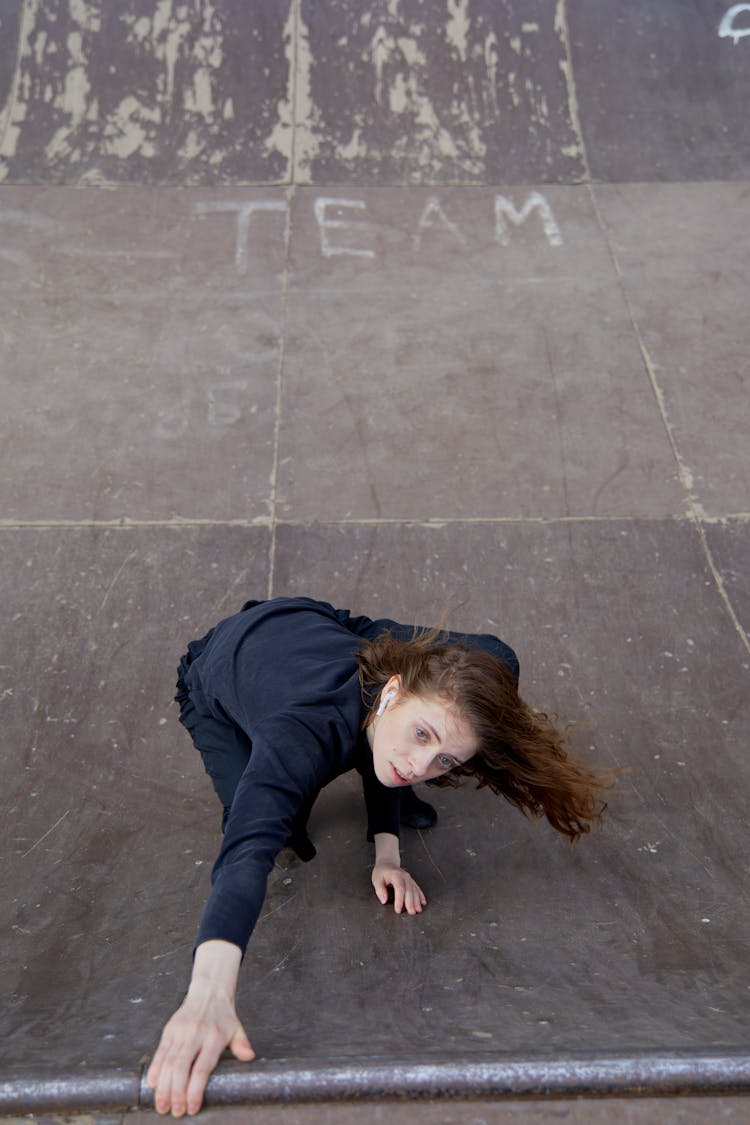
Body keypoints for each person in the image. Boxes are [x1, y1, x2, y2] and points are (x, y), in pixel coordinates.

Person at [147, 596, 611, 1116]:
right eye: (421, 735)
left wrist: (386, 851)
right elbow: (244, 854)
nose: (420, 765)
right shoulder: (296, 733)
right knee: (274, 822)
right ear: (392, 690)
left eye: (444, 760)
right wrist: (207, 992)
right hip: (214, 667)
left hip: (315, 624)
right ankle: (303, 789)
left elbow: (392, 740)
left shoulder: (384, 690)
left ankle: (419, 742)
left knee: (493, 660)